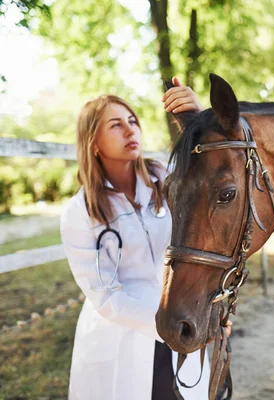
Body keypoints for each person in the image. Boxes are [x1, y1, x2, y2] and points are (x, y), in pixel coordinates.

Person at [60, 77, 229, 400]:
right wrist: (165, 326)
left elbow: (217, 165)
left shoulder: (169, 179)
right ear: (93, 141)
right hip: (122, 337)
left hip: (182, 317)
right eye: (116, 125)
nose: (130, 130)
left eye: (133, 121)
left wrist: (197, 117)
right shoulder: (81, 212)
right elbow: (106, 297)